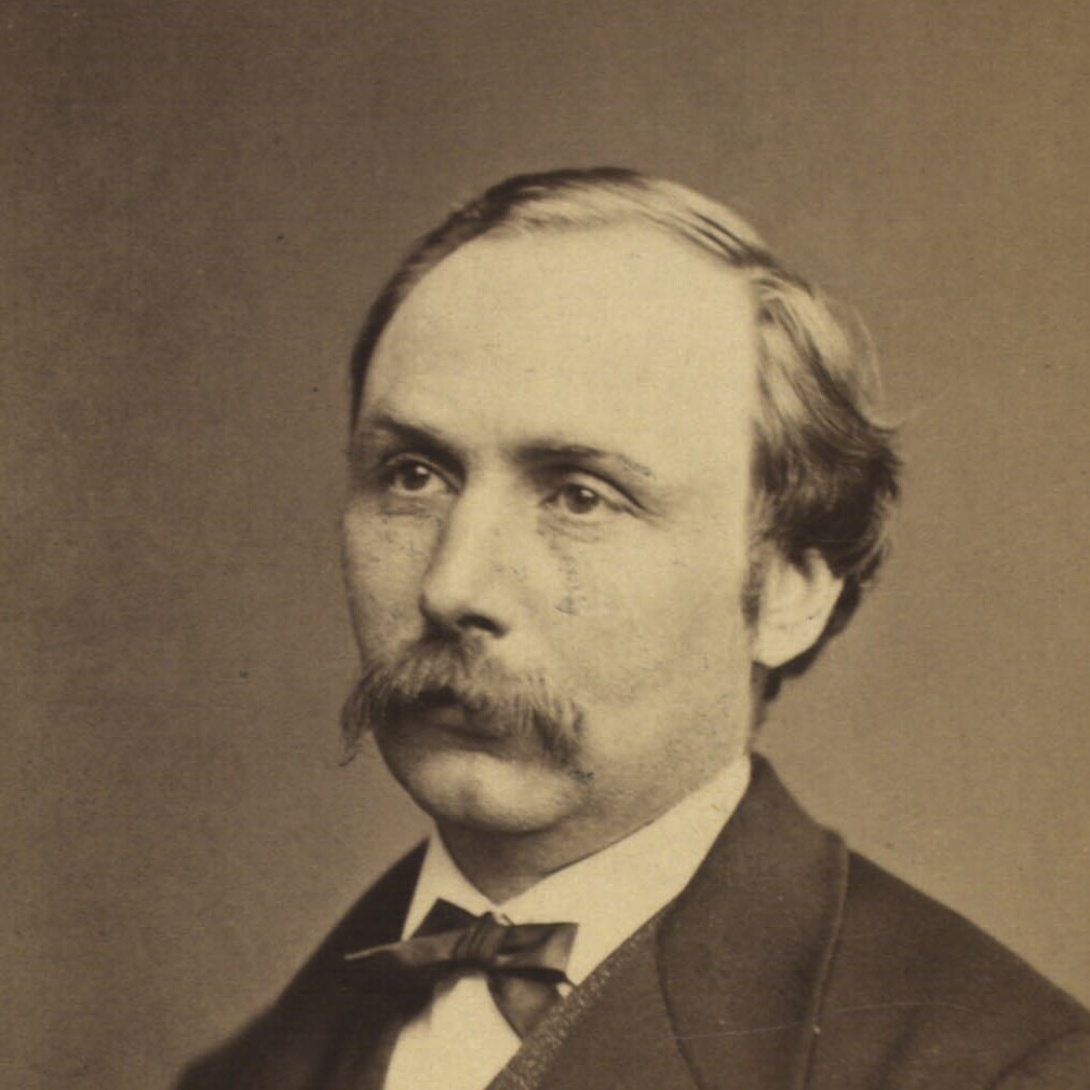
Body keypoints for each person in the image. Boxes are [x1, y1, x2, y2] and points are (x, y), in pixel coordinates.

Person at [177, 168, 1090, 1090]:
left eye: (581, 497)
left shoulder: (1008, 1070)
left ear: (789, 589)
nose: (453, 586)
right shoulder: (239, 1075)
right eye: (414, 476)